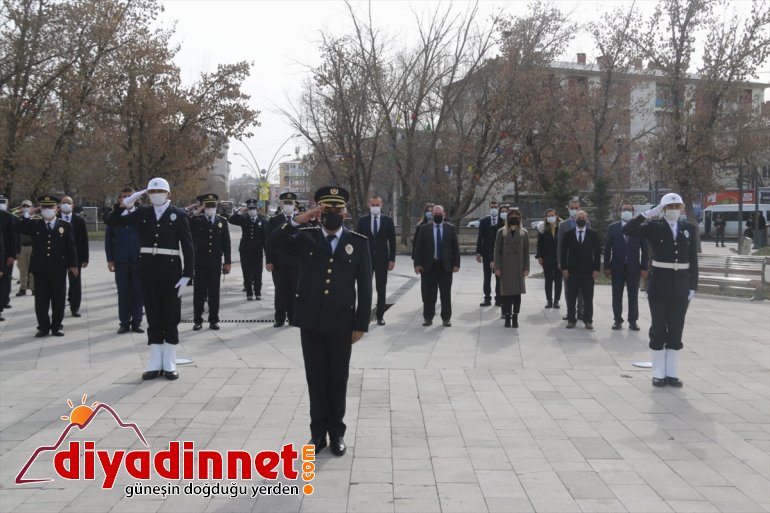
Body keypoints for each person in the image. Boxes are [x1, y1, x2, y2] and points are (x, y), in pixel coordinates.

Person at [266, 186, 371, 456]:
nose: (331, 214)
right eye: (326, 209)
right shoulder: (306, 237)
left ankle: (337, 433)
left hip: (342, 323)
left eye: (336, 209)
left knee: (338, 378)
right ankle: (317, 435)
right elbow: (272, 242)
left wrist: (361, 324)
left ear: (344, 213)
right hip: (311, 321)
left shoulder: (358, 242)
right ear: (318, 212)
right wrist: (298, 220)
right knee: (316, 379)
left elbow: (365, 286)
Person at [106, 178, 194, 381]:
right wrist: (126, 203)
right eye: (152, 192)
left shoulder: (179, 215)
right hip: (147, 272)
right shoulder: (142, 213)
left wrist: (187, 275)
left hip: (171, 273)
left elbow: (188, 247)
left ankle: (169, 362)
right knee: (153, 316)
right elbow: (113, 221)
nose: (156, 195)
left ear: (168, 193)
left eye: (160, 191)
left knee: (170, 316)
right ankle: (155, 362)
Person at [623, 193, 698, 388]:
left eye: (677, 206)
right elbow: (628, 230)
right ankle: (658, 373)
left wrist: (693, 286)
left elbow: (693, 260)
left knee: (676, 328)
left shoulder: (688, 228)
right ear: (663, 209)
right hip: (659, 284)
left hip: (681, 285)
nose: (674, 210)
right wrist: (648, 214)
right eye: (670, 207)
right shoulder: (654, 227)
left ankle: (672, 372)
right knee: (658, 328)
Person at [16, 195, 78, 336]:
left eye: (50, 207)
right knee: (41, 300)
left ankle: (57, 326)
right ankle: (43, 327)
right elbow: (18, 227)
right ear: (40, 209)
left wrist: (73, 265)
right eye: (44, 207)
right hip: (40, 268)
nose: (47, 209)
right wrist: (29, 213)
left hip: (58, 268)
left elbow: (71, 247)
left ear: (57, 209)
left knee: (58, 299)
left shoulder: (65, 225)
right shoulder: (34, 224)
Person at [189, 193, 231, 331]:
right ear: (203, 206)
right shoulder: (196, 220)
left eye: (213, 205)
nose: (211, 208)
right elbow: (186, 224)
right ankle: (197, 320)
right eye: (208, 205)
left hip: (215, 263)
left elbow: (226, 243)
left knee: (214, 293)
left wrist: (227, 262)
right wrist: (197, 211)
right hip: (199, 263)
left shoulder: (222, 221)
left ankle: (214, 320)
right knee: (199, 293)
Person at [413, 205, 460, 327]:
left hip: (445, 266)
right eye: (435, 214)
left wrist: (456, 264)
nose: (438, 216)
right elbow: (418, 248)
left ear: (444, 214)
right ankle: (428, 318)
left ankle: (446, 318)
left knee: (446, 294)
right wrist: (417, 264)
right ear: (432, 215)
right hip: (429, 266)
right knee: (429, 294)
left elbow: (455, 247)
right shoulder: (424, 229)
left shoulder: (450, 228)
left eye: (440, 214)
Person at [604, 202, 649, 331]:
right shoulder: (613, 227)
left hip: (633, 268)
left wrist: (644, 268)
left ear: (633, 213)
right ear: (621, 212)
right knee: (616, 295)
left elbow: (645, 250)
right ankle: (617, 320)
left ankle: (633, 321)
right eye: (624, 210)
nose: (626, 212)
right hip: (617, 267)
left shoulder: (639, 228)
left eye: (629, 210)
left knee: (633, 296)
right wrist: (607, 266)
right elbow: (607, 249)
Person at [105, 188, 144, 334]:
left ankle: (137, 322)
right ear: (120, 199)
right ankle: (124, 323)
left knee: (138, 292)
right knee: (123, 292)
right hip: (121, 260)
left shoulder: (142, 213)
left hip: (138, 259)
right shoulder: (114, 216)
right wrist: (110, 259)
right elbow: (109, 239)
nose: (127, 199)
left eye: (130, 196)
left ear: (136, 198)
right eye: (124, 197)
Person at [357, 195, 396, 325]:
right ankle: (364, 316)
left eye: (377, 205)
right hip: (365, 259)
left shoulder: (388, 220)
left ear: (381, 205)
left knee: (381, 288)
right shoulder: (362, 220)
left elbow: (392, 241)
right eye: (372, 205)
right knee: (365, 288)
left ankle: (380, 316)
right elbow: (357, 240)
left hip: (382, 259)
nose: (375, 207)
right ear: (369, 205)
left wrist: (392, 259)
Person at [560, 210, 601, 330]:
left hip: (588, 272)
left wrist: (596, 269)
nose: (581, 219)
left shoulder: (593, 234)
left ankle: (588, 320)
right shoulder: (568, 234)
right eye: (579, 217)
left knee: (588, 297)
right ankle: (571, 320)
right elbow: (563, 253)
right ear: (574, 219)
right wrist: (564, 268)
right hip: (572, 271)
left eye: (583, 217)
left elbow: (597, 253)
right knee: (571, 297)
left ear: (586, 219)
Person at [266, 192, 299, 327]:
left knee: (294, 291)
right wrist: (269, 260)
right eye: (286, 203)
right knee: (280, 291)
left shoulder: (300, 220)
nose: (288, 205)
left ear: (295, 205)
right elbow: (268, 242)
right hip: (278, 262)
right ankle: (279, 318)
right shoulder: (274, 221)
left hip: (296, 263)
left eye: (291, 203)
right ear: (281, 204)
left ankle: (292, 317)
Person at [494, 208, 529, 328]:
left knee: (517, 294)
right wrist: (497, 267)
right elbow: (497, 251)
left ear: (520, 218)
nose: (514, 217)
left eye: (516, 215)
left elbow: (526, 252)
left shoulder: (524, 233)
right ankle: (507, 317)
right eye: (511, 215)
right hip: (505, 267)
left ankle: (515, 318)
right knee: (506, 294)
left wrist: (526, 268)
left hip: (519, 267)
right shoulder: (501, 232)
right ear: (507, 218)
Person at [229, 198, 267, 300]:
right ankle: (249, 293)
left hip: (257, 251)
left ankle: (258, 292)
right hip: (245, 251)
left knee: (258, 272)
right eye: (250, 209)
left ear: (257, 209)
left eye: (253, 208)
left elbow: (265, 238)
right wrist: (240, 211)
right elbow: (231, 220)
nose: (252, 211)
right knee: (246, 272)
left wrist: (266, 251)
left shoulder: (262, 221)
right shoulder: (244, 219)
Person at [557, 198, 589, 321]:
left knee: (582, 288)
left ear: (580, 208)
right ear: (568, 208)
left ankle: (580, 311)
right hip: (568, 262)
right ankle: (570, 311)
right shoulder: (563, 225)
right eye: (572, 208)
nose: (574, 210)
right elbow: (560, 245)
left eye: (576, 208)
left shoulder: (587, 223)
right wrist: (560, 261)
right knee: (568, 289)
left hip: (583, 262)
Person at [59, 196, 88, 317]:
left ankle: (75, 307)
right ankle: (59, 307)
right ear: (60, 205)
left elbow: (84, 240)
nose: (66, 205)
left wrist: (85, 258)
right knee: (59, 283)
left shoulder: (79, 220)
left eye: (68, 203)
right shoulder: (55, 218)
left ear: (73, 205)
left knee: (75, 282)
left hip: (76, 257)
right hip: (59, 257)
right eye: (63, 203)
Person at [476, 200, 501, 307]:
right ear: (489, 208)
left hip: (499, 254)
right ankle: (487, 299)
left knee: (499, 277)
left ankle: (499, 299)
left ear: (498, 208)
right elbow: (480, 237)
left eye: (495, 207)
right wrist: (478, 252)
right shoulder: (484, 221)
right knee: (487, 277)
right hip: (486, 253)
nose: (494, 209)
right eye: (492, 207)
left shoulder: (502, 221)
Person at [536, 209, 561, 309]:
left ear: (556, 216)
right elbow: (539, 244)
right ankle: (549, 300)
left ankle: (556, 301)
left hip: (558, 258)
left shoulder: (561, 228)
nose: (551, 217)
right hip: (547, 258)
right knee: (548, 280)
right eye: (549, 216)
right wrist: (539, 256)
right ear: (546, 218)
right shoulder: (543, 229)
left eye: (552, 215)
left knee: (558, 280)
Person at [0, 194, 16, 319]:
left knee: (4, 280)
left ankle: (3, 302)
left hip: (4, 254)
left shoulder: (8, 216)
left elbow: (13, 237)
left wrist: (12, 254)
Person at [14, 200, 34, 296]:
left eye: (28, 206)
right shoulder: (18, 218)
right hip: (22, 246)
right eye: (24, 206)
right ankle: (23, 287)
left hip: (33, 246)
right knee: (22, 269)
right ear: (21, 208)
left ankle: (33, 287)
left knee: (33, 269)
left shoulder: (36, 218)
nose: (26, 208)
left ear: (32, 207)